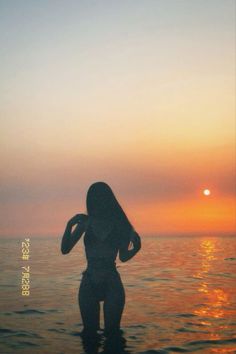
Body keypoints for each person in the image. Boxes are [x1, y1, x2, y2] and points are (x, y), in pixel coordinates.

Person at [61, 181, 141, 339]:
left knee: (113, 334)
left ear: (108, 199)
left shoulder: (120, 224)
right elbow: (65, 249)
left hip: (112, 282)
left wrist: (136, 248)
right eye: (93, 198)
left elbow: (123, 257)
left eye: (100, 198)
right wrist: (69, 225)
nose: (97, 202)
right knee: (89, 335)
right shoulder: (85, 222)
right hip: (89, 280)